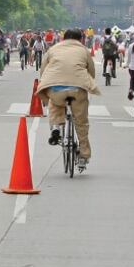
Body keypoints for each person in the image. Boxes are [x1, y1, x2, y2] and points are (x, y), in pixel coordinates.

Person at [39, 28, 100, 170]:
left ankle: (56, 127)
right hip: (77, 89)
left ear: (63, 38)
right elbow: (91, 72)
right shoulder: (84, 50)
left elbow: (43, 70)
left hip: (56, 89)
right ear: (81, 39)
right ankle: (84, 157)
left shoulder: (53, 49)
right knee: (81, 123)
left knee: (54, 103)